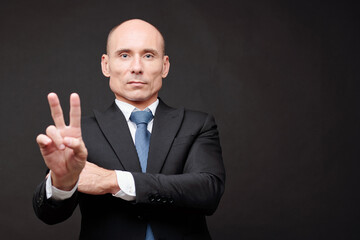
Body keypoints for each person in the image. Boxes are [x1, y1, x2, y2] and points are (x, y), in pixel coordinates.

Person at [33, 19, 225, 240]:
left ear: (165, 66)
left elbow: (208, 191)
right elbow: (48, 215)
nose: (136, 67)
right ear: (106, 65)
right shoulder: (80, 135)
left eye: (148, 55)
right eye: (124, 55)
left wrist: (113, 180)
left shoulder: (197, 124)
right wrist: (62, 183)